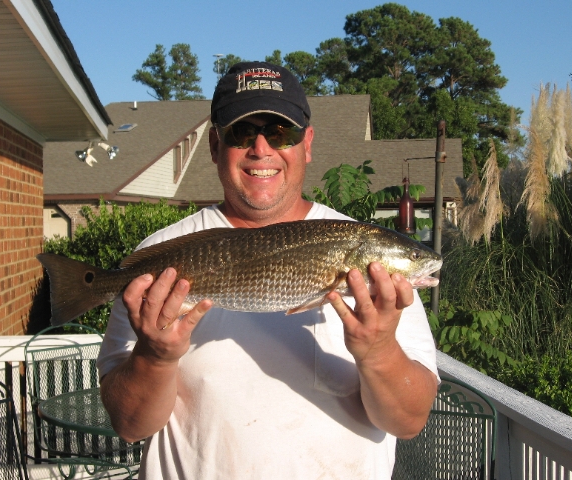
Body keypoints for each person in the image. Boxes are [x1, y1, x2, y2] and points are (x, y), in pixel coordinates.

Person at [97, 61, 439, 479]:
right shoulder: (159, 259)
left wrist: (380, 350)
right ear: (214, 145)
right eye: (242, 132)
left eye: (281, 132)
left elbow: (408, 422)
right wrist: (153, 357)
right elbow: (129, 426)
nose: (261, 148)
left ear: (307, 143)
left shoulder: (385, 289)